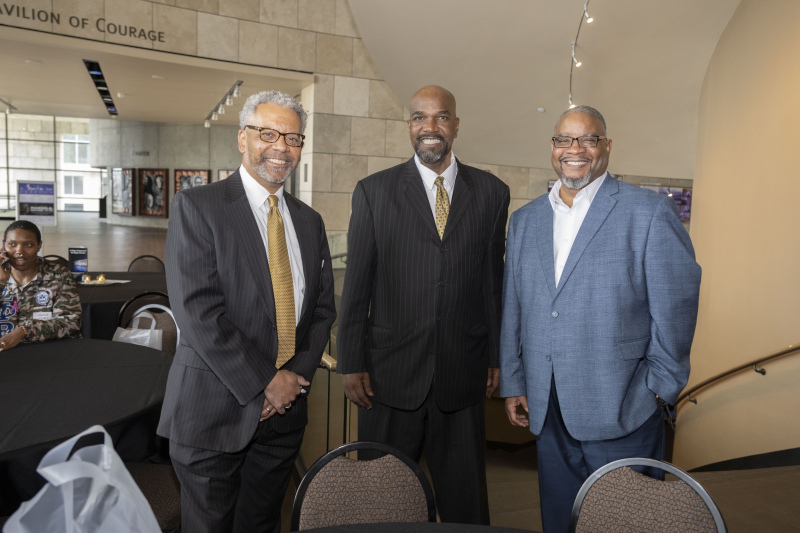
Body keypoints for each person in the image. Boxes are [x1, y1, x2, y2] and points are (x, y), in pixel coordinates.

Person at [499, 105, 702, 532]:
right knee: (561, 521)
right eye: (564, 140)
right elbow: (514, 306)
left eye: (587, 139)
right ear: (552, 148)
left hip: (624, 407)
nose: (575, 150)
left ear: (606, 147)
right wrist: (515, 381)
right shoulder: (525, 221)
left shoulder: (647, 213)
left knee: (626, 523)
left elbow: (676, 307)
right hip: (549, 406)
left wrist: (657, 390)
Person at [157, 91, 336, 533]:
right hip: (214, 411)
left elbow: (321, 310)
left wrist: (290, 382)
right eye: (268, 133)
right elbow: (198, 311)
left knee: (260, 525)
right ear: (243, 139)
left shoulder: (310, 221)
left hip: (285, 416)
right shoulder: (198, 207)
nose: (281, 147)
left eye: (293, 137)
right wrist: (265, 383)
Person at [336, 85, 510, 524]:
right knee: (383, 503)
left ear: (455, 125)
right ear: (409, 126)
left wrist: (495, 356)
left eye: (440, 117)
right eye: (419, 118)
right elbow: (358, 285)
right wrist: (350, 361)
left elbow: (492, 284)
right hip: (389, 377)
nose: (429, 127)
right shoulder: (374, 192)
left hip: (463, 372)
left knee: (465, 505)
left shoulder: (492, 193)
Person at [0, 220, 82, 349]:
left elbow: (70, 323)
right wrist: (1, 282)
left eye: (28, 245)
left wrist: (24, 331)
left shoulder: (59, 275)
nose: (19, 251)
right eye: (12, 244)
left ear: (39, 246)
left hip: (52, 352)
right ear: (4, 245)